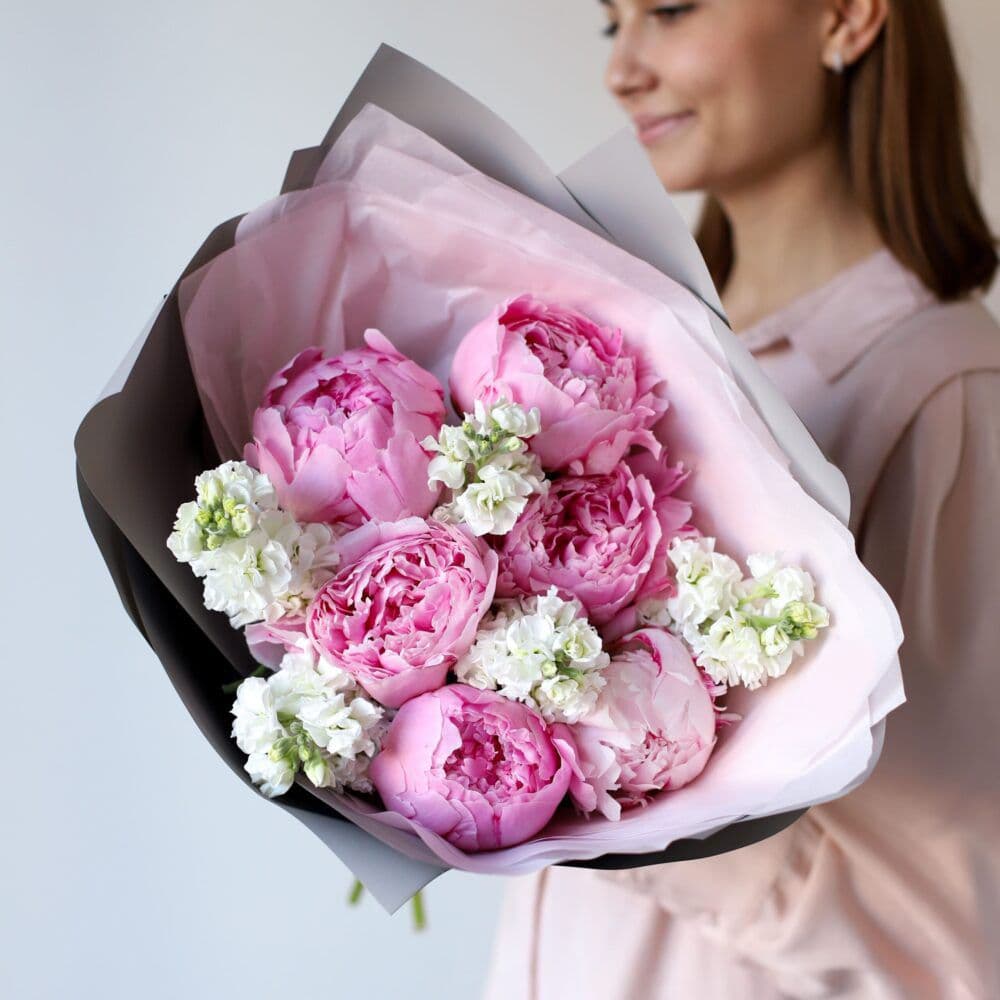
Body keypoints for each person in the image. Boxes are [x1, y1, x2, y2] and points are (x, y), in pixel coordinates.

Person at [482, 1, 999, 997]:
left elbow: (954, 928)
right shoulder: (624, 374)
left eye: (670, 10)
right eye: (611, 24)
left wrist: (604, 790)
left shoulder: (942, 396)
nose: (622, 71)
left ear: (848, 16)